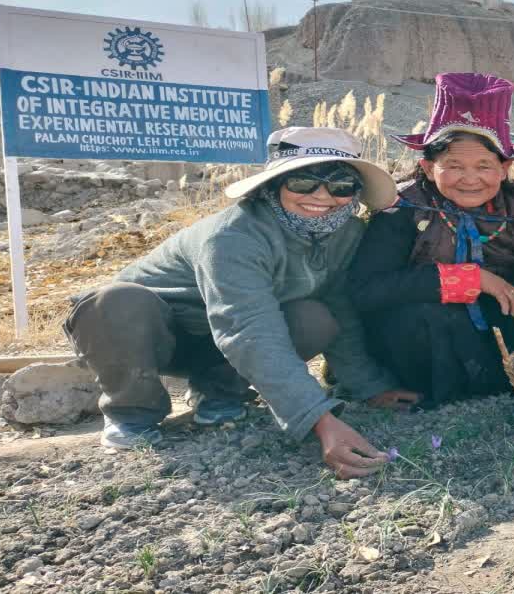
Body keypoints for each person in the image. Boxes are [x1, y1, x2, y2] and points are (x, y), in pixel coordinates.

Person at [64, 127, 400, 478]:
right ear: (274, 185)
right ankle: (132, 412)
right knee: (117, 302)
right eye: (302, 183)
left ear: (354, 193)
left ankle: (221, 393)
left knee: (314, 317)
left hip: (223, 342)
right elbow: (247, 328)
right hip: (154, 337)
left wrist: (369, 387)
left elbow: (341, 311)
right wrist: (320, 420)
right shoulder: (232, 236)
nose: (321, 195)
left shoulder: (346, 234)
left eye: (340, 185)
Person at [349, 73, 514, 409]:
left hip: (500, 319)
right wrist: (469, 279)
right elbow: (367, 289)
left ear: (505, 167)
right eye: (453, 165)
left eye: (484, 166)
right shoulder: (400, 207)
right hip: (422, 331)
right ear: (427, 166)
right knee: (423, 318)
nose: (470, 179)